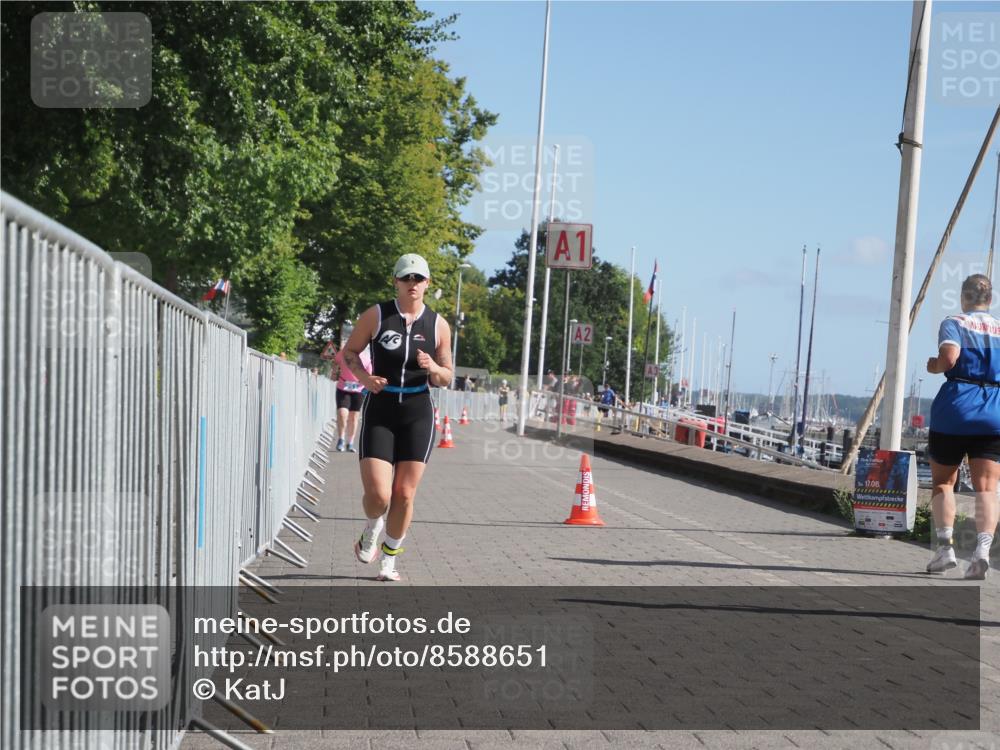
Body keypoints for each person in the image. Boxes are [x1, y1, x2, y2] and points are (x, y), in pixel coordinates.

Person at [340, 253, 453, 581]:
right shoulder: (376, 315)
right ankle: (371, 527)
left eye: (419, 279)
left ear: (428, 283)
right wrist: (365, 379)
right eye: (406, 278)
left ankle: (389, 559)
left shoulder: (438, 325)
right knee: (379, 496)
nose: (412, 284)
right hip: (380, 409)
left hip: (418, 412)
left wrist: (433, 368)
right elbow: (349, 353)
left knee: (404, 494)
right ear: (396, 281)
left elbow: (447, 375)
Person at [925, 273, 1000, 580]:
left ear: (963, 297)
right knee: (988, 488)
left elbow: (949, 358)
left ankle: (945, 549)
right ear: (990, 299)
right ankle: (981, 553)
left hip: (955, 410)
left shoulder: (954, 322)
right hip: (994, 410)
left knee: (944, 482)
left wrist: (933, 365)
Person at [333, 344, 372, 452]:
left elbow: (369, 374)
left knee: (354, 417)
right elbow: (335, 362)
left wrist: (367, 387)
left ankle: (350, 442)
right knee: (342, 413)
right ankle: (341, 439)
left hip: (358, 390)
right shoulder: (343, 353)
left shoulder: (367, 356)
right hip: (343, 388)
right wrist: (335, 371)